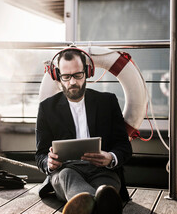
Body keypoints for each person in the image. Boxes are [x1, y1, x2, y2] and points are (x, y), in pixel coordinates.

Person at [35, 47, 132, 214]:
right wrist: (48, 163)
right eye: (66, 76)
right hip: (67, 172)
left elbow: (124, 146)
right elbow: (40, 155)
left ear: (87, 72)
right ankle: (102, 205)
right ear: (58, 77)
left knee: (106, 186)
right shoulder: (46, 108)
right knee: (67, 177)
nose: (72, 82)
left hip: (102, 171)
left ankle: (87, 205)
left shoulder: (108, 102)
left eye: (77, 75)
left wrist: (110, 158)